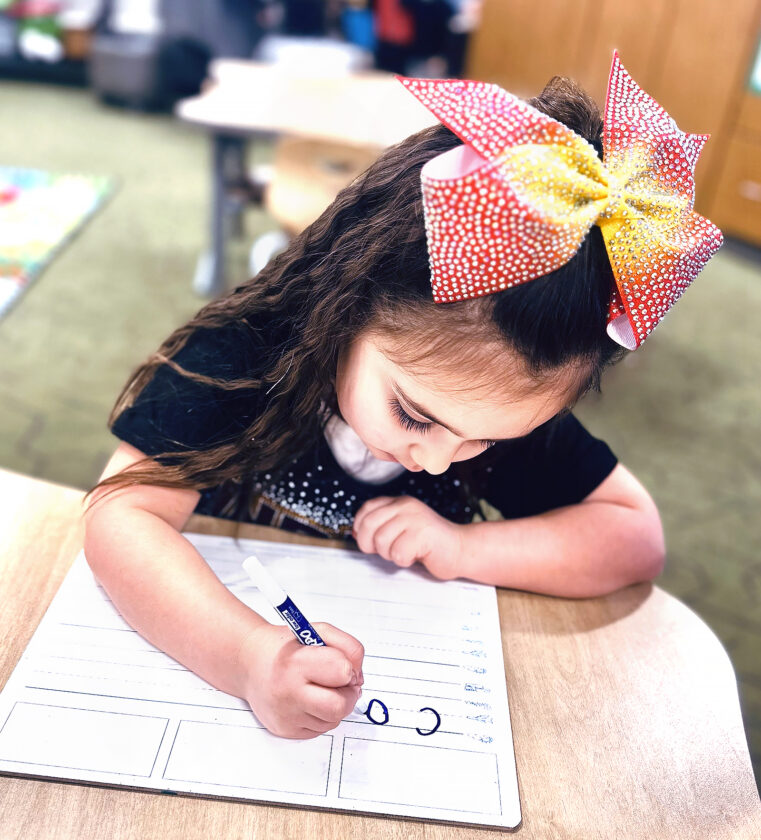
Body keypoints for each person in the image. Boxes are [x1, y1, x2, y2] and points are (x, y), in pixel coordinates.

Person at [83, 54, 723, 740]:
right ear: (344, 306)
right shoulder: (242, 355)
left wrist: (465, 548)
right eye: (413, 415)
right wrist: (245, 658)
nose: (440, 461)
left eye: (487, 441)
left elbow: (633, 539)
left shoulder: (499, 400)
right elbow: (121, 517)